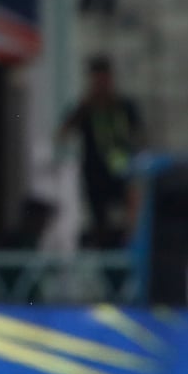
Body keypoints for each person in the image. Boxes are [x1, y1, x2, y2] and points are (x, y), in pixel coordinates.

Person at [58, 55, 141, 248]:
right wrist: (85, 107)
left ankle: (126, 247)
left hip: (121, 171)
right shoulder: (87, 108)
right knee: (100, 223)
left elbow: (140, 135)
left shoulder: (123, 106)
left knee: (126, 218)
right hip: (95, 175)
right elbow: (63, 132)